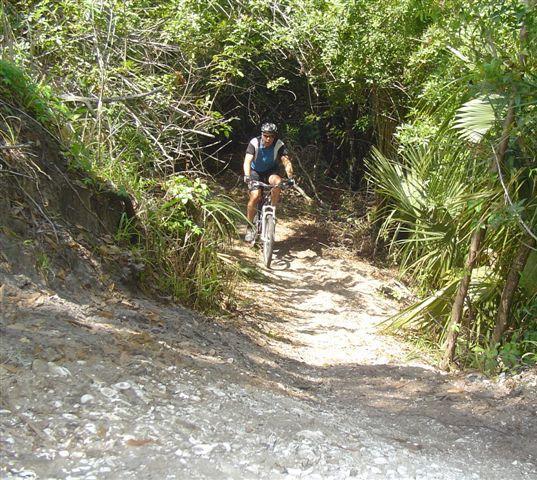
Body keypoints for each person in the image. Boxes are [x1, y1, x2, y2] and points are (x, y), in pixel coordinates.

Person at [243, 122, 294, 242]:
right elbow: (247, 161)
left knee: (278, 183)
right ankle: (249, 226)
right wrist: (247, 175)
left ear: (274, 136)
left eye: (271, 136)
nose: (268, 138)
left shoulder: (278, 144)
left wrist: (291, 177)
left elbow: (286, 162)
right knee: (255, 197)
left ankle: (272, 212)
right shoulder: (254, 143)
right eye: (266, 135)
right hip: (256, 172)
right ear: (262, 135)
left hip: (271, 172)